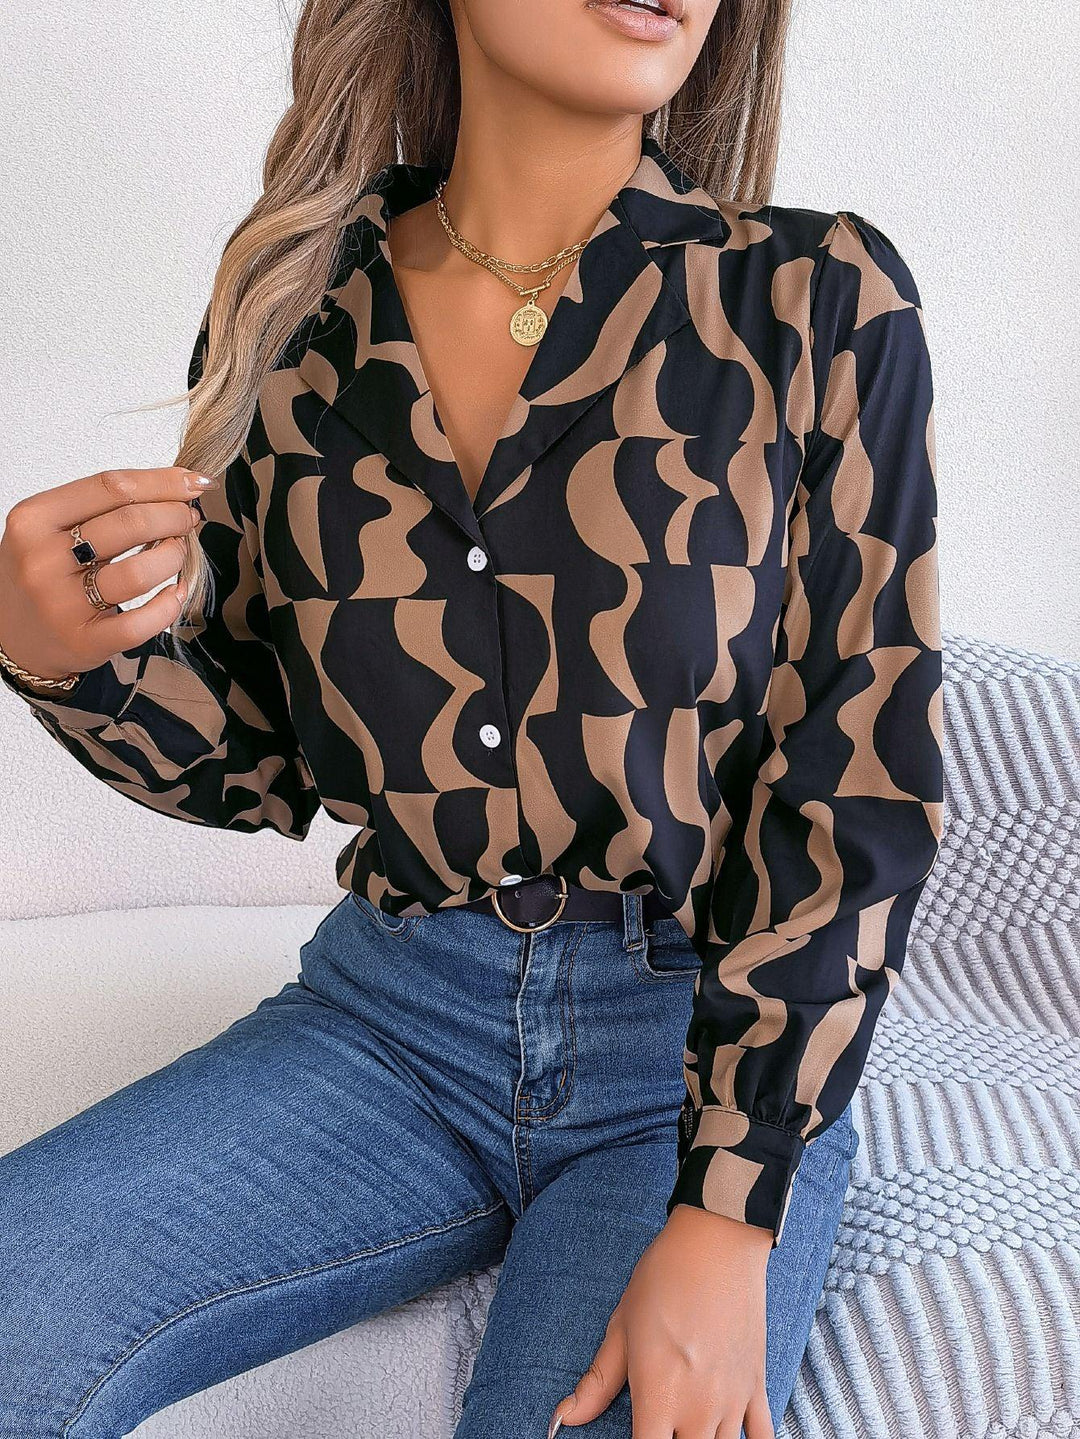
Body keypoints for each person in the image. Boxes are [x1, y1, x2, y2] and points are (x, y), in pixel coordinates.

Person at [0, 0, 942, 1435]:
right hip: (387, 1025)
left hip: (686, 1054)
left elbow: (858, 782)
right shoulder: (303, 308)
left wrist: (731, 1211)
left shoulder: (812, 298)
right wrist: (67, 662)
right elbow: (263, 755)